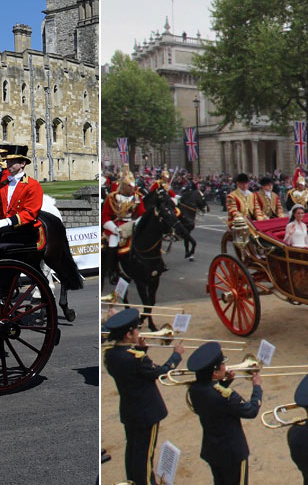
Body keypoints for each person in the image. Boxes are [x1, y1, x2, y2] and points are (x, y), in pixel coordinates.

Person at [103, 308, 184, 485]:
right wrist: (176, 356)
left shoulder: (110, 355)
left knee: (133, 451)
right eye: (136, 330)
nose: (139, 332)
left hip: (130, 411)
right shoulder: (135, 358)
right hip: (147, 412)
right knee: (146, 455)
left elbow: (136, 371)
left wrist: (142, 349)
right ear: (128, 334)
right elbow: (160, 372)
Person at [187, 342, 262, 485]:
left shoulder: (194, 390)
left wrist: (224, 383)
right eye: (222, 364)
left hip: (213, 450)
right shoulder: (225, 396)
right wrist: (257, 387)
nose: (225, 367)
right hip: (232, 453)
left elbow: (214, 402)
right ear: (214, 372)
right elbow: (251, 410)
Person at [0, 145, 43, 247]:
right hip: (5, 224)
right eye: (8, 161)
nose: (8, 164)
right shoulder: (3, 184)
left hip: (24, 227)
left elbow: (30, 212)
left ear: (22, 164)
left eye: (12, 161)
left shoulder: (32, 185)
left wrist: (9, 221)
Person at [101, 167, 145, 284]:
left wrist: (137, 223)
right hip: (117, 225)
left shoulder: (137, 197)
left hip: (132, 224)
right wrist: (114, 229)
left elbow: (142, 213)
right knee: (113, 242)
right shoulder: (112, 198)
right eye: (129, 186)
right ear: (124, 186)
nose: (132, 188)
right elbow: (105, 216)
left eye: (133, 185)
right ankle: (113, 270)